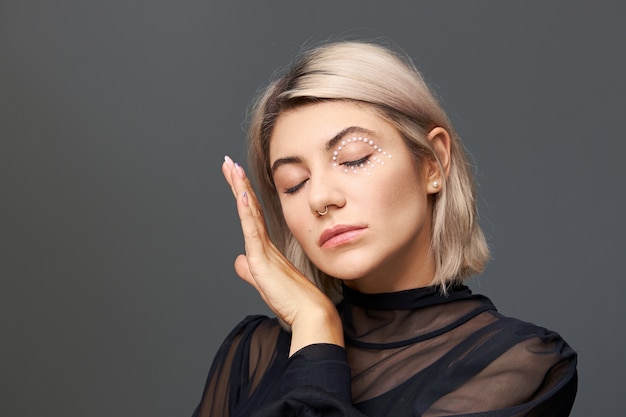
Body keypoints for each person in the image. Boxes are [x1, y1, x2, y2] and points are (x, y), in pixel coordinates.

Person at [192, 41, 577, 417]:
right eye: (294, 183)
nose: (320, 198)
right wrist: (314, 320)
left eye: (354, 159)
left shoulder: (518, 364)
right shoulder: (251, 354)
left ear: (432, 163)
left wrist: (317, 330)